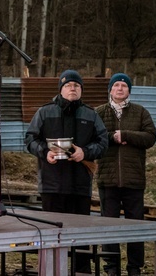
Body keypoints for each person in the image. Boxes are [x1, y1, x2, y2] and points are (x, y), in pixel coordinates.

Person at [25, 69, 108, 274]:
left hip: (80, 186)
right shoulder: (44, 112)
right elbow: (29, 139)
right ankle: (50, 271)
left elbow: (103, 142)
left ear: (81, 90)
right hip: (51, 185)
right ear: (61, 89)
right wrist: (45, 153)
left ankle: (81, 272)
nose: (73, 88)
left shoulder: (91, 114)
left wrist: (85, 152)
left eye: (77, 85)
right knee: (51, 232)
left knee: (80, 235)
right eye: (69, 85)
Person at [95, 73, 156, 276]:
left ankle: (134, 268)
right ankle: (112, 267)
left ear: (129, 90)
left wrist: (126, 135)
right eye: (116, 85)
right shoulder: (99, 113)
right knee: (109, 224)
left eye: (124, 85)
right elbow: (93, 138)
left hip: (134, 178)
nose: (120, 88)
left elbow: (150, 137)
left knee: (135, 225)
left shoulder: (140, 112)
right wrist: (113, 137)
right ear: (110, 89)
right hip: (108, 178)